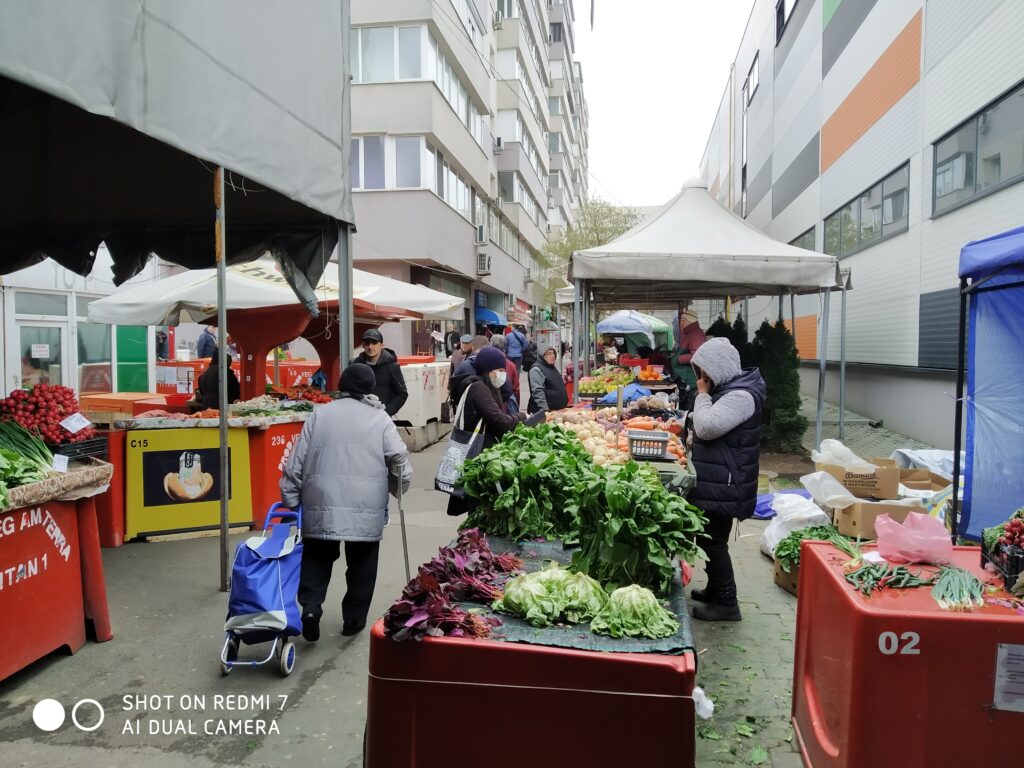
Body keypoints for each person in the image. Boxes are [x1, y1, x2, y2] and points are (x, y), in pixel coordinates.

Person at [281, 363, 412, 640]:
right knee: (362, 563)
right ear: (370, 388)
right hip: (365, 504)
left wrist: (291, 498)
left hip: (321, 500)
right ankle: (353, 619)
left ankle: (311, 609)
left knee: (316, 556)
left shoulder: (320, 414)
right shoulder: (380, 419)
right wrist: (399, 487)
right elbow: (398, 457)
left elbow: (297, 460)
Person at [686, 337, 767, 623]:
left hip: (728, 483)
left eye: (704, 372)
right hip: (722, 479)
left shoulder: (740, 396)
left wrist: (702, 394)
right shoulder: (733, 389)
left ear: (717, 369)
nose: (701, 378)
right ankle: (715, 589)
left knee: (714, 542)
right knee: (709, 538)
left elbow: (707, 427)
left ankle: (727, 603)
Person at [446, 347, 542, 516]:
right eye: (500, 370)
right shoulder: (478, 388)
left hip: (481, 452)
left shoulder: (486, 386)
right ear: (487, 370)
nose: (503, 375)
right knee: (478, 505)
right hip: (477, 454)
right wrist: (522, 416)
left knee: (479, 503)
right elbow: (499, 421)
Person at [354, 328, 408, 416]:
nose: (370, 347)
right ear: (363, 345)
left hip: (381, 419)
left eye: (374, 343)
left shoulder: (391, 366)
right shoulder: (355, 365)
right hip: (359, 417)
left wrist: (386, 412)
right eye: (367, 343)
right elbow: (348, 391)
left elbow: (402, 394)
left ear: (382, 345)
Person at [671, 310, 708, 408]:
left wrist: (680, 359)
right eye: (681, 320)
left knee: (689, 408)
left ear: (690, 321)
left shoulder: (697, 335)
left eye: (684, 320)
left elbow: (699, 355)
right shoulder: (688, 334)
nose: (681, 323)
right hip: (685, 381)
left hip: (691, 382)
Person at [528, 346, 568, 414]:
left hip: (556, 411)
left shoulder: (551, 367)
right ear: (542, 356)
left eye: (553, 353)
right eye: (548, 354)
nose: (552, 356)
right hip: (545, 412)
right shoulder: (536, 369)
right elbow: (538, 391)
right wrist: (545, 410)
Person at [488, 335, 520, 412]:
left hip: (489, 405)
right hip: (505, 406)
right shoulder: (510, 365)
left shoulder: (485, 361)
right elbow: (516, 388)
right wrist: (516, 405)